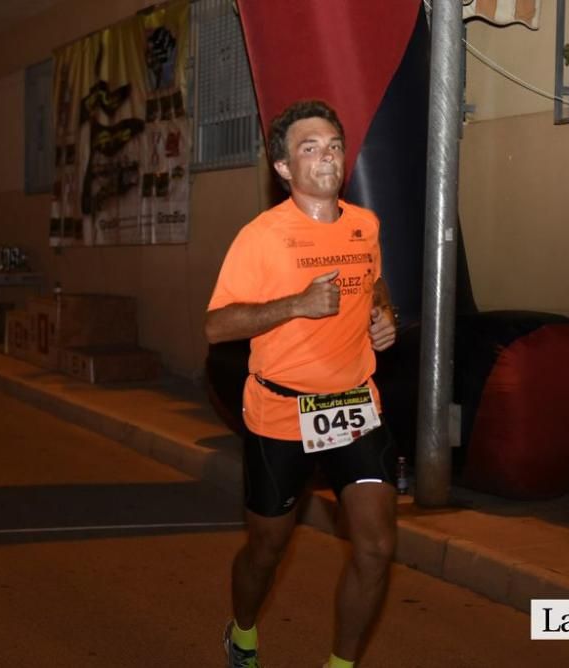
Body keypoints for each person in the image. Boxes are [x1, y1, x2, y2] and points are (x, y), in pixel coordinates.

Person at [205, 99, 399, 668]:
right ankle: (242, 631)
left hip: (355, 404)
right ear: (284, 169)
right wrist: (298, 304)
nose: (325, 157)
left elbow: (374, 283)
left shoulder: (366, 225)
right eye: (308, 148)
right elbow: (216, 324)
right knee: (267, 550)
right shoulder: (261, 237)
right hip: (281, 413)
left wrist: (380, 314)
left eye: (333, 145)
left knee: (377, 546)